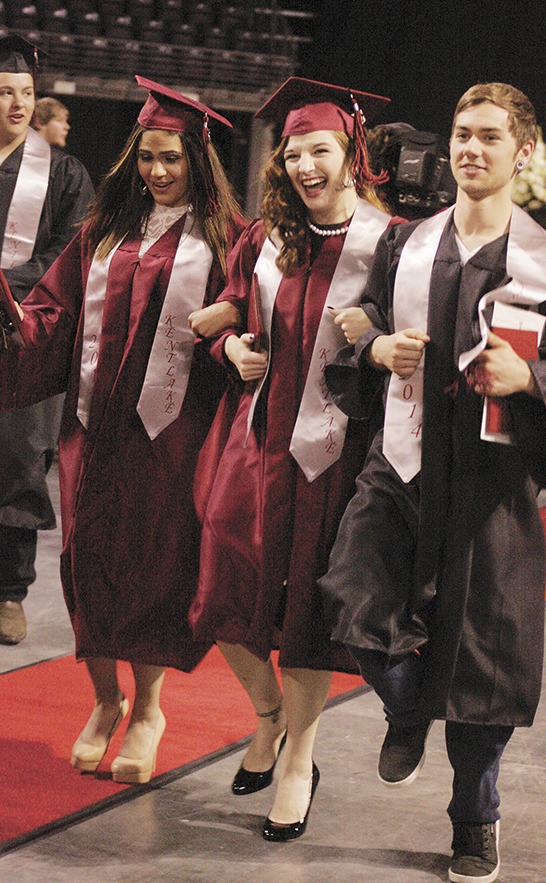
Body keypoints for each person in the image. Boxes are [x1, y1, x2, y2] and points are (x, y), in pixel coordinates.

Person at [319, 83, 546, 882]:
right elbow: (366, 321)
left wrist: (529, 377)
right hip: (404, 460)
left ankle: (474, 821)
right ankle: (407, 703)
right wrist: (376, 349)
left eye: (488, 136)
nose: (470, 149)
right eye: (461, 134)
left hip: (489, 481)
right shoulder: (408, 245)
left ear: (523, 152)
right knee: (350, 591)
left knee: (483, 662)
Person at [0, 75, 244, 783]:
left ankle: (148, 709)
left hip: (171, 439)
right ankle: (105, 699)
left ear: (196, 161)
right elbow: (54, 314)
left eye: (171, 158)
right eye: (147, 158)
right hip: (91, 431)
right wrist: (14, 320)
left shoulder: (223, 239)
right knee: (87, 561)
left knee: (152, 568)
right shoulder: (103, 234)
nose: (158, 171)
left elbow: (249, 319)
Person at [189, 76, 400, 841]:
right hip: (255, 444)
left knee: (307, 613)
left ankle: (297, 760)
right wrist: (232, 345)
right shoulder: (262, 238)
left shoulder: (392, 244)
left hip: (335, 457)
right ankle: (270, 715)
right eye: (294, 153)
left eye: (321, 150)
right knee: (218, 592)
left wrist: (375, 343)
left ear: (353, 155)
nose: (306, 166)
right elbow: (228, 315)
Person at [0, 35, 93, 646]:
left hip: (22, 336)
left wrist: (9, 286)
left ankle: (8, 591)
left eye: (27, 94)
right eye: (5, 93)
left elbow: (73, 253)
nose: (18, 105)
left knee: (17, 464)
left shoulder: (61, 172)